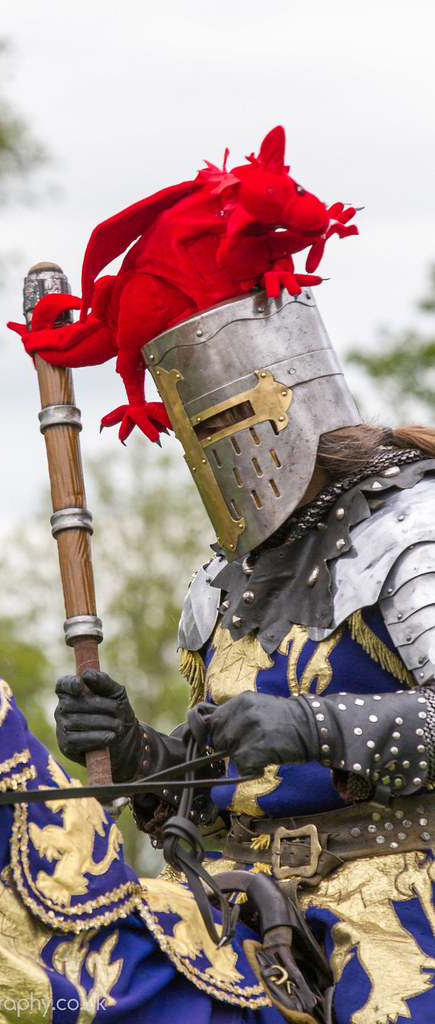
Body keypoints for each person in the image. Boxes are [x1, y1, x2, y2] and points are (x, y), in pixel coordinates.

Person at [54, 286, 435, 1024]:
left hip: (400, 898)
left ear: (299, 396)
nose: (219, 448)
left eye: (233, 417)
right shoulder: (222, 582)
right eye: (197, 430)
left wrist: (316, 728)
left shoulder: (411, 529)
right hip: (239, 908)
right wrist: (136, 754)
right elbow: (220, 803)